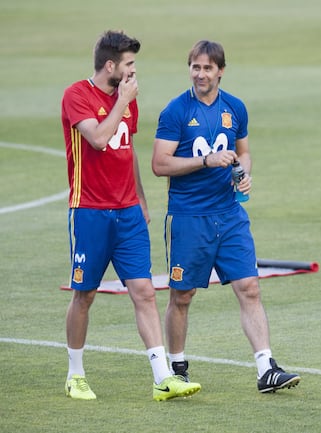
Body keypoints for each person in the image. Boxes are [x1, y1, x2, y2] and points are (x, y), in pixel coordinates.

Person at [152, 40, 301, 393]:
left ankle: (266, 368)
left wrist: (244, 173)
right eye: (195, 67)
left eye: (207, 68)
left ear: (221, 70)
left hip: (230, 215)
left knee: (249, 287)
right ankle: (177, 367)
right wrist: (205, 160)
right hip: (189, 218)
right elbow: (160, 164)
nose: (200, 74)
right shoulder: (175, 111)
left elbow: (244, 152)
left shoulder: (235, 107)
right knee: (182, 295)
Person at [61, 30, 201, 401]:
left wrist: (139, 196)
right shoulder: (77, 96)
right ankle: (75, 374)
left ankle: (162, 377)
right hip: (89, 211)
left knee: (143, 291)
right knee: (84, 294)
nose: (133, 71)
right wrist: (122, 100)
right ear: (111, 66)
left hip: (127, 213)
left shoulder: (127, 100)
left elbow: (126, 147)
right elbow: (99, 139)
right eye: (129, 65)